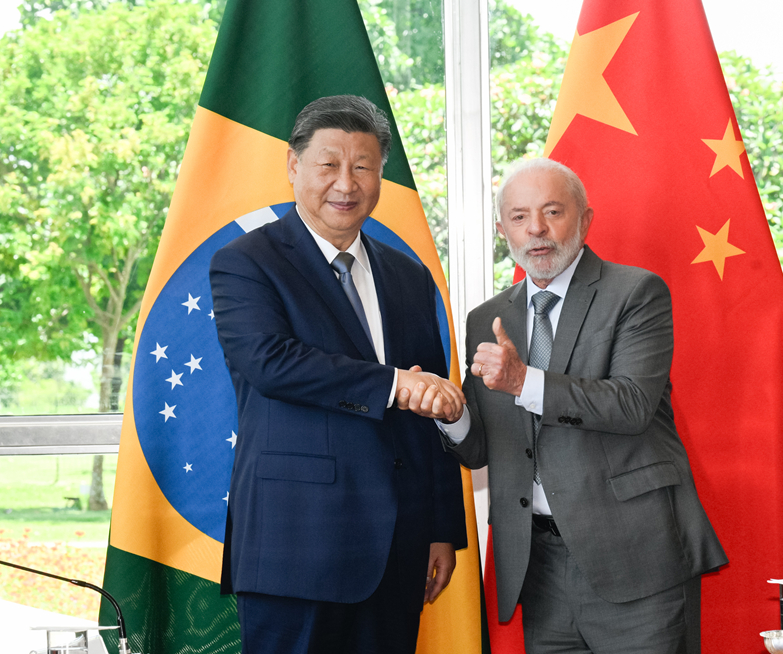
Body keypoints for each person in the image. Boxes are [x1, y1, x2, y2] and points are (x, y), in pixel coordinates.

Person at [431, 158, 727, 654]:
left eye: (552, 212)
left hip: (635, 559)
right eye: (520, 217)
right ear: (503, 230)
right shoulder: (488, 318)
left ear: (585, 220)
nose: (536, 229)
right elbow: (482, 446)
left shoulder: (635, 293)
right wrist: (452, 414)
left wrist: (524, 381)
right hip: (539, 567)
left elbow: (631, 404)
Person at [209, 94, 468, 654]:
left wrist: (441, 528)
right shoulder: (246, 262)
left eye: (363, 167)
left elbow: (429, 408)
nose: (346, 184)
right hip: (295, 546)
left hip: (398, 548)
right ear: (293, 165)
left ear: (380, 177)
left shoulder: (410, 276)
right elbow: (271, 362)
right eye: (328, 165)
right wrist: (393, 384)